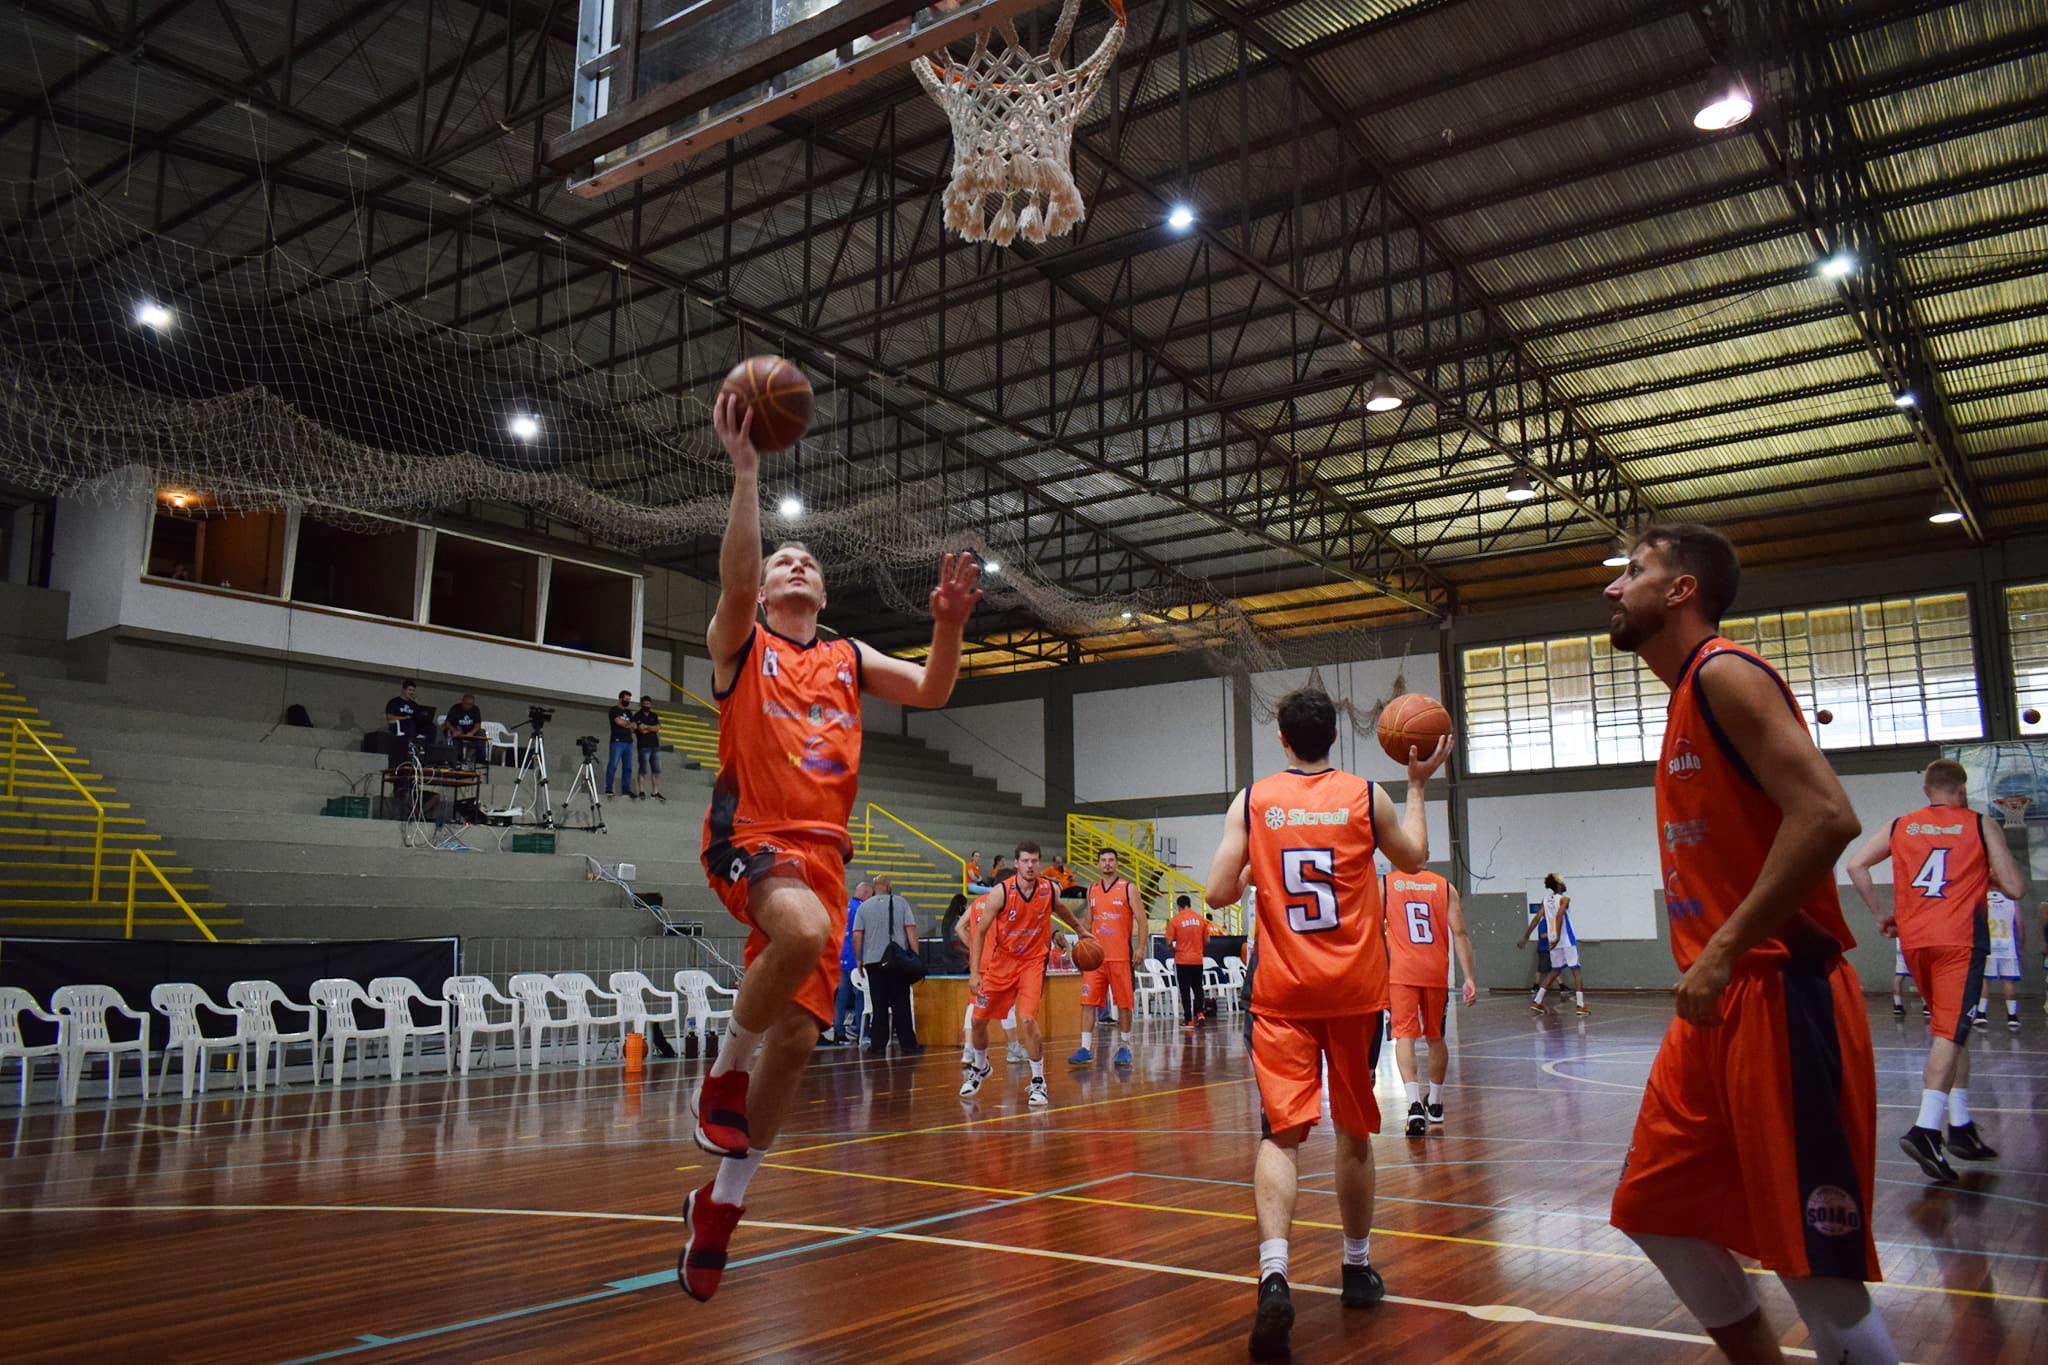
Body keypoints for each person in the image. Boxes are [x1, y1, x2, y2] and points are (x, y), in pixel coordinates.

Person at [678, 392, 981, 1304]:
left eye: (807, 557)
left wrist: (951, 622)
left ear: (822, 591)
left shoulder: (847, 656)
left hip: (824, 853)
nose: (796, 561)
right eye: (783, 557)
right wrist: (745, 474)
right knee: (804, 936)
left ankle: (719, 1207)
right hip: (751, 835)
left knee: (805, 1038)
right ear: (766, 589)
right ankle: (720, 1077)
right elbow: (732, 583)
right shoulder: (741, 644)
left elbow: (930, 689)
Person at [1603, 521, 1897, 1364]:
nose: (1614, 588)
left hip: (1779, 996)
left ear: (1681, 590)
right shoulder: (1684, 697)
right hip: (1716, 1009)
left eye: (1635, 571)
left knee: (1816, 1260)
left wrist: (1726, 950)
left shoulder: (1725, 673)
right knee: (1655, 1205)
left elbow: (1830, 815)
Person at [1202, 686, 1450, 1362]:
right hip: (1354, 991)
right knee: (1354, 1131)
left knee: (1280, 1135)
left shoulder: (1252, 802)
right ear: (1332, 737)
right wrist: (1419, 786)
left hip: (1282, 992)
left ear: (1282, 738)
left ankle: (1275, 1274)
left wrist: (1264, 865)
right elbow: (1416, 859)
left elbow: (1219, 892)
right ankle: (1356, 1268)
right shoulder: (1369, 798)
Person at [1844, 759, 2024, 1182]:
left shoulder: (1900, 824)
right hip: (1959, 941)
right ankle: (1926, 1128)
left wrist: (1880, 915)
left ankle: (1959, 1126)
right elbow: (2015, 887)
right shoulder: (1979, 824)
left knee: (1951, 1030)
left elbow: (1855, 866)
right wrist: (1989, 878)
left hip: (1916, 941)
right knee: (1950, 1033)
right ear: (1961, 791)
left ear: (1927, 790)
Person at [961, 842, 1084, 1107]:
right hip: (1001, 963)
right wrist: (974, 973)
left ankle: (1038, 1081)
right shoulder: (1000, 893)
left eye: (1034, 861)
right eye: (1025, 861)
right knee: (979, 1020)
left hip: (1032, 962)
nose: (1030, 865)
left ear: (1039, 863)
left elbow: (1060, 908)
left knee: (1027, 1019)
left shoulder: (1049, 888)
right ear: (1016, 864)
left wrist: (1081, 930)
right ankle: (981, 1067)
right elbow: (978, 932)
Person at [1384, 867, 1477, 1136]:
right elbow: (1460, 933)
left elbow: (1373, 931)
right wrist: (1469, 976)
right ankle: (1435, 1104)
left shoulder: (1387, 884)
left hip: (1401, 973)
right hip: (1436, 971)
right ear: (1426, 855)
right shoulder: (1445, 886)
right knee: (1436, 1036)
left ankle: (1414, 1103)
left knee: (1404, 1035)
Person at [1070, 848, 1143, 1067]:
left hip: (1120, 956)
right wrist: (1082, 943)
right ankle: (1084, 1048)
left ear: (1117, 864)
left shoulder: (1129, 888)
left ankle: (1125, 1045)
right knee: (1088, 1003)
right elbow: (1088, 920)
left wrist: (1140, 948)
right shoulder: (1092, 889)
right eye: (1103, 860)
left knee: (1123, 1004)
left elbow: (1142, 920)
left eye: (1111, 860)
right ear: (1098, 864)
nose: (1107, 864)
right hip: (1096, 959)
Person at [854, 875, 922, 1056]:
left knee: (878, 1004)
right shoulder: (901, 903)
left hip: (873, 961)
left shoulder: (863, 906)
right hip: (896, 961)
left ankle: (877, 1044)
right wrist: (916, 955)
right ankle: (908, 1043)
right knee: (901, 1003)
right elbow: (910, 930)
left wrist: (859, 959)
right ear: (889, 886)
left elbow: (857, 935)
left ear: (875, 887)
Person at [821, 880, 872, 1046]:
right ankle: (861, 1030)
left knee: (841, 995)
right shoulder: (863, 910)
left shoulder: (845, 907)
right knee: (860, 995)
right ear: (866, 894)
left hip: (841, 956)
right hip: (856, 957)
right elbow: (861, 935)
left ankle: (838, 1031)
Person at [1530, 873, 1588, 1015]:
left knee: (1555, 971)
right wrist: (1557, 936)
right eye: (1562, 881)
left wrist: (1526, 935)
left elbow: (1537, 917)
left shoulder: (1545, 900)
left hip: (1553, 941)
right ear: (1559, 884)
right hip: (1566, 940)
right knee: (1576, 971)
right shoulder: (1564, 899)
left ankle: (1537, 1001)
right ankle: (1580, 1006)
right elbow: (1559, 916)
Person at [1975, 889, 2023, 1031]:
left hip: (1989, 945)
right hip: (2007, 946)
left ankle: (1981, 1014)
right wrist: (2019, 946)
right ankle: (2012, 1017)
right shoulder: (2012, 899)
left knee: (1985, 980)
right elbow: (2019, 925)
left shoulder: (1983, 899)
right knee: (2008, 982)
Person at [1168, 895, 1212, 1027]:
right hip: (1197, 960)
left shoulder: (1175, 921)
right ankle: (1200, 1013)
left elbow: (1169, 942)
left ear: (1178, 906)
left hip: (1182, 960)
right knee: (1198, 988)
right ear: (1189, 904)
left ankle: (1188, 1019)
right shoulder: (1201, 919)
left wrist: (1173, 948)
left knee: (1185, 990)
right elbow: (1207, 940)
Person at [1516, 895, 1552, 996]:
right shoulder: (1543, 922)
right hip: (1544, 949)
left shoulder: (1550, 921)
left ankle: (1561, 986)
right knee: (1542, 969)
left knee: (1554, 969)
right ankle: (1536, 987)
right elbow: (1542, 934)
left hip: (1550, 948)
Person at [605, 690, 636, 797]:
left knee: (628, 767)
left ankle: (626, 789)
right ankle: (609, 788)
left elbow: (634, 726)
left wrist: (627, 724)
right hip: (617, 741)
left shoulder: (629, 712)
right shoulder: (614, 710)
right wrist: (628, 724)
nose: (627, 701)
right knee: (613, 765)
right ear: (620, 698)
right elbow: (619, 722)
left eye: (629, 700)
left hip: (628, 742)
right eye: (626, 699)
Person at [634, 696, 665, 801]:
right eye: (645, 704)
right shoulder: (637, 715)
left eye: (649, 704)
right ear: (642, 704)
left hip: (655, 746)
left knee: (656, 770)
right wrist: (651, 728)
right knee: (643, 769)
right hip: (643, 746)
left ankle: (655, 792)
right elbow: (641, 729)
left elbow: (658, 728)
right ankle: (641, 790)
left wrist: (647, 727)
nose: (647, 706)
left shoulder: (654, 715)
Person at [383, 679, 432, 744]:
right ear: (403, 690)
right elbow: (389, 717)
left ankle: (428, 748)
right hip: (399, 725)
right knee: (409, 722)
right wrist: (404, 718)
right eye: (409, 690)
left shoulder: (414, 705)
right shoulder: (394, 702)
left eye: (413, 690)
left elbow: (418, 717)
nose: (411, 692)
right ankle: (411, 744)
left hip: (413, 725)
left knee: (431, 726)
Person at [444, 692, 484, 763]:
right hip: (458, 730)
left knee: (481, 732)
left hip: (470, 730)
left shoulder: (475, 709)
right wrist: (454, 731)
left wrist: (471, 733)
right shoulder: (455, 708)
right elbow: (447, 723)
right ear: (463, 702)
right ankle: (458, 757)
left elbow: (478, 725)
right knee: (457, 731)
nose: (469, 706)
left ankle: (478, 758)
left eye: (471, 704)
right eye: (467, 704)